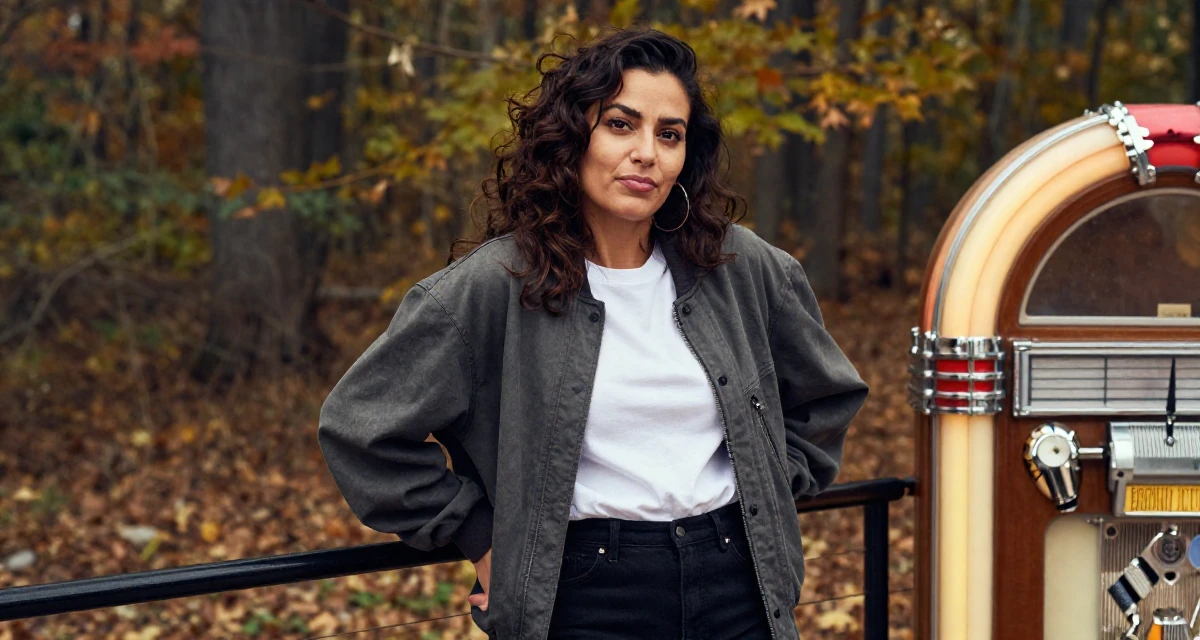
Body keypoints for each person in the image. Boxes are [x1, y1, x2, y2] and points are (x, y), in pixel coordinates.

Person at [318, 27, 868, 640]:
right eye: (620, 125)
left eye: (670, 134)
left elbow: (828, 397)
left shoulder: (742, 267)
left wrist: (771, 480)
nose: (647, 154)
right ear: (571, 137)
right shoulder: (493, 286)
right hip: (582, 595)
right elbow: (360, 427)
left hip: (740, 585)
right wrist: (479, 536)